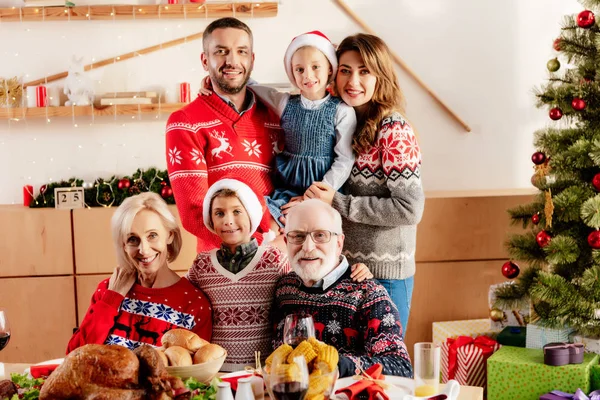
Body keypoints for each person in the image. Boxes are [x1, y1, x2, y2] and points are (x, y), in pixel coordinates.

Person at [302, 33, 425, 333]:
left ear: (380, 76)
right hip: (345, 271)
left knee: (385, 370)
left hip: (385, 276)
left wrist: (339, 202)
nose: (352, 80)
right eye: (345, 70)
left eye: (364, 71)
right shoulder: (343, 121)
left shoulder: (393, 129)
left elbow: (409, 209)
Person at [186, 179, 372, 372]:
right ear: (210, 220)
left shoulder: (273, 260)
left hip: (264, 371)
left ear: (251, 214)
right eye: (219, 213)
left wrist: (350, 270)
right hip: (217, 371)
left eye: (237, 211)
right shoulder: (202, 265)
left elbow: (308, 275)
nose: (228, 220)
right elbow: (179, 293)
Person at [165, 17, 283, 253]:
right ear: (204, 59)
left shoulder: (276, 114)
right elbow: (194, 212)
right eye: (221, 51)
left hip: (285, 257)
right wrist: (259, 245)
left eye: (241, 51)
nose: (232, 61)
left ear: (252, 59)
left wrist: (289, 237)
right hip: (224, 268)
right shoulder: (185, 123)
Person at [272, 199, 412, 378]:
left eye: (320, 235)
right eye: (297, 236)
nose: (307, 247)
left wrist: (339, 365)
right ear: (286, 241)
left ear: (339, 243)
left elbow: (401, 367)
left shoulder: (368, 294)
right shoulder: (284, 289)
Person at [67, 192, 212, 353]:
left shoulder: (194, 304)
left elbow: (196, 373)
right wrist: (113, 297)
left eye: (152, 236)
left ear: (169, 235)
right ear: (123, 245)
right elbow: (75, 355)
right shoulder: (107, 290)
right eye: (132, 239)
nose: (143, 249)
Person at [246, 31, 356, 229]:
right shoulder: (285, 102)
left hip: (322, 189)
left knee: (313, 229)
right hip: (287, 188)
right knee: (275, 226)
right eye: (299, 69)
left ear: (330, 69)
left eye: (315, 67)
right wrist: (213, 82)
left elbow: (345, 159)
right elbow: (253, 87)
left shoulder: (342, 110)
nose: (308, 75)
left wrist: (314, 196)